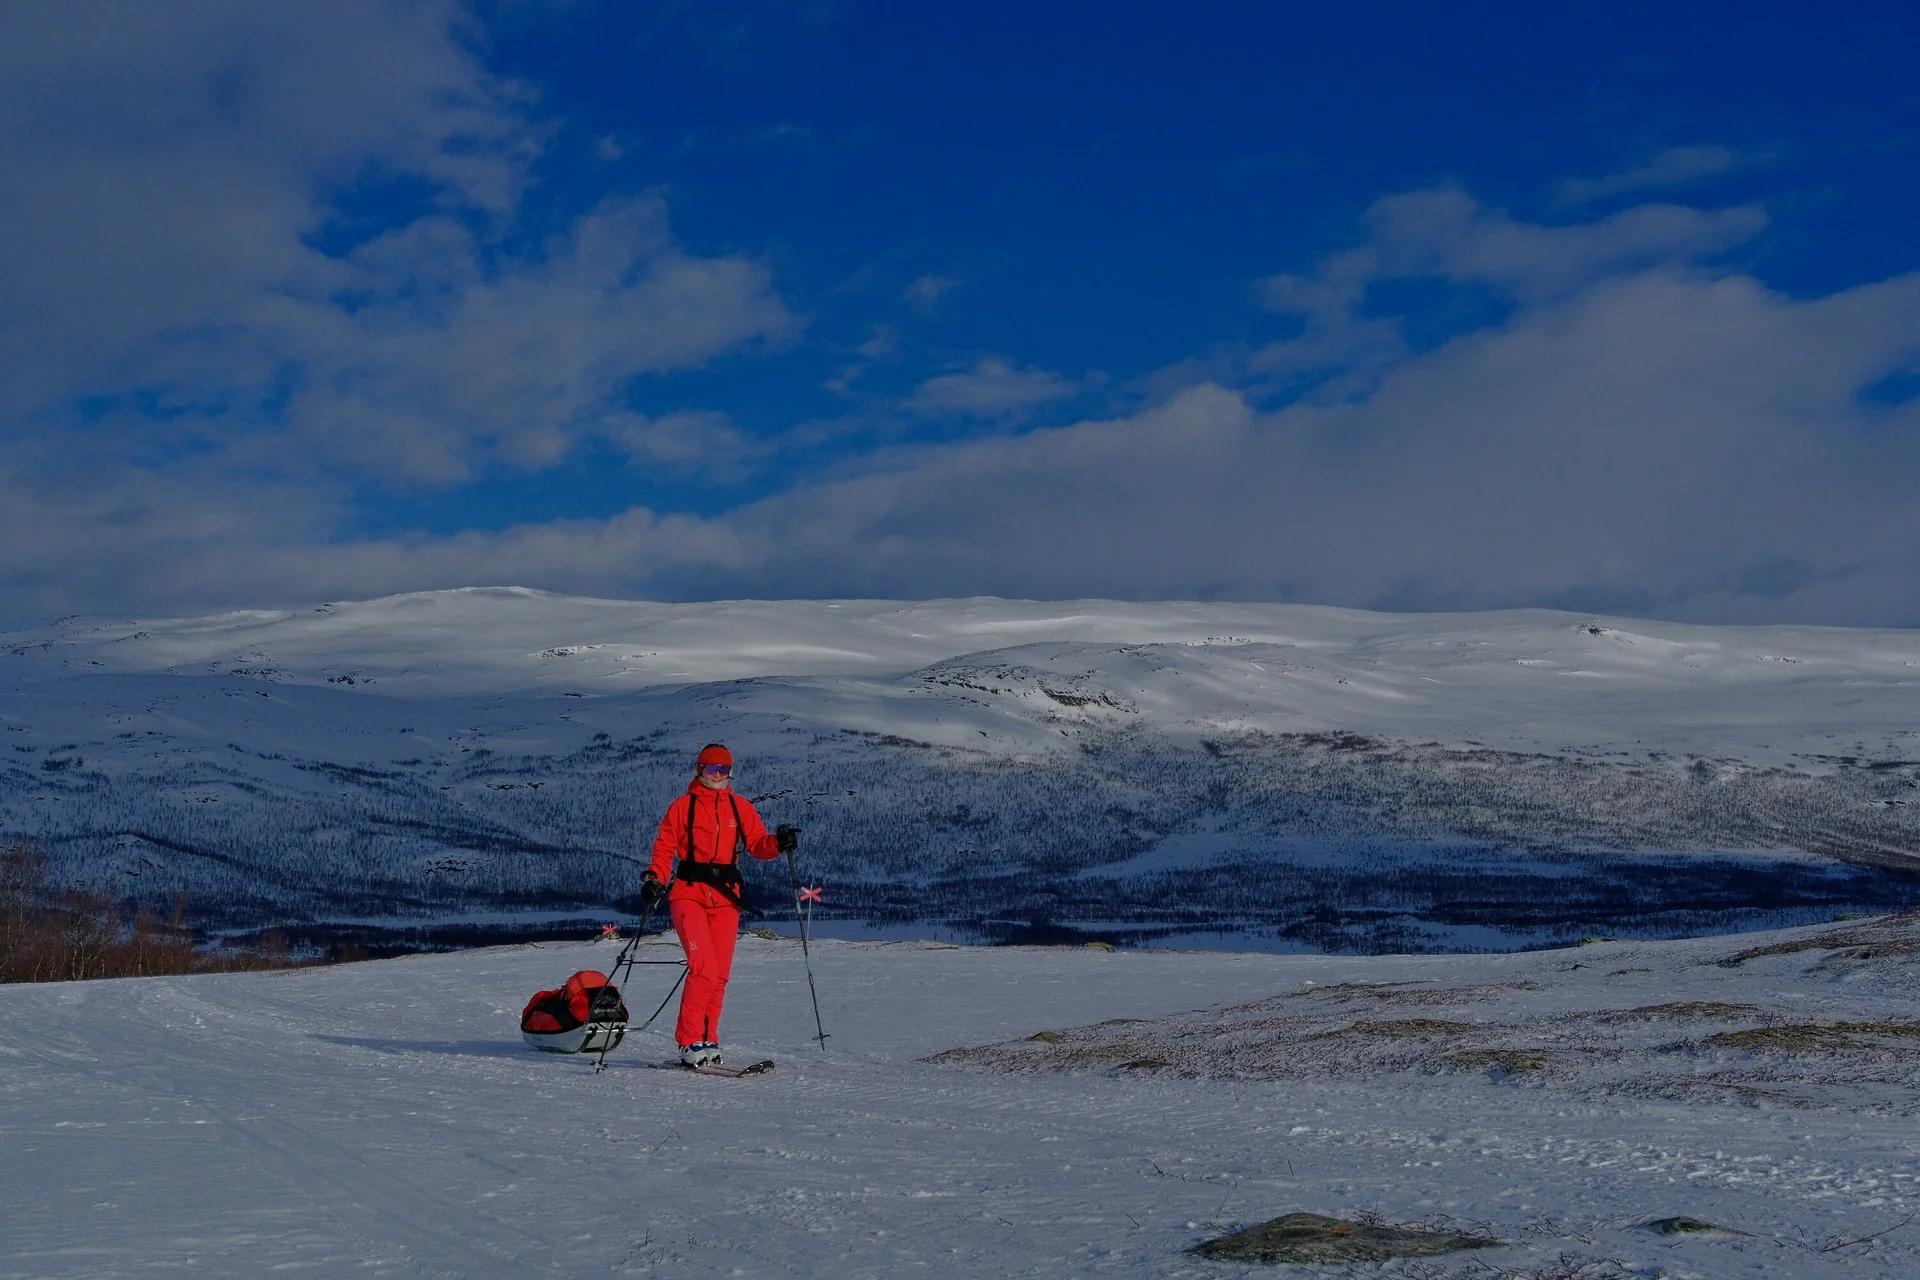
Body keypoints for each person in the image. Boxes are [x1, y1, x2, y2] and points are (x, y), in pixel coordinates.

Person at [639, 743, 794, 1067]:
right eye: (712, 769)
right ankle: (689, 1041)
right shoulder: (683, 807)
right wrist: (654, 877)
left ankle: (708, 1037)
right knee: (704, 969)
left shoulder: (739, 807)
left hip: (725, 898)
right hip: (689, 894)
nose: (719, 776)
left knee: (720, 974)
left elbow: (757, 845)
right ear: (700, 770)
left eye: (725, 770)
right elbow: (664, 846)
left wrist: (778, 844)